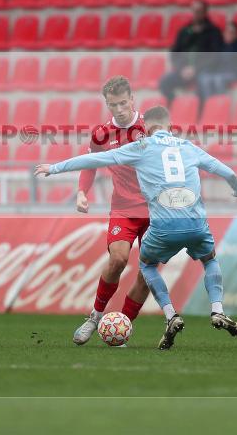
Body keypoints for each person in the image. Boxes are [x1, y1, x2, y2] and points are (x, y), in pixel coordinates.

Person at [36, 105, 237, 350]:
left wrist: (54, 168)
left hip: (162, 225)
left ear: (146, 129)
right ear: (171, 127)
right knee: (209, 259)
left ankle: (171, 315)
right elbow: (226, 172)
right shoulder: (189, 147)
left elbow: (95, 158)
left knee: (147, 265)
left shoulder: (140, 147)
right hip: (196, 224)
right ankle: (217, 309)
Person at [70, 76, 151, 346]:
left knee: (147, 273)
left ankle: (123, 326)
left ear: (133, 99)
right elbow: (89, 164)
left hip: (156, 211)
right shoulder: (101, 134)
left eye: (123, 103)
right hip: (124, 209)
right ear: (107, 104)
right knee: (117, 260)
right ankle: (95, 317)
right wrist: (82, 192)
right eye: (113, 105)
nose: (119, 109)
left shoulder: (151, 127)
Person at [159, 0, 223, 105]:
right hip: (183, 71)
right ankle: (173, 107)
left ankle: (200, 116)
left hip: (203, 70)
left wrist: (196, 69)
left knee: (203, 82)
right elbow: (175, 53)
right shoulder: (184, 31)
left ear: (205, 12)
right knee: (164, 82)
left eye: (199, 11)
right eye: (194, 10)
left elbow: (216, 56)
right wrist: (182, 69)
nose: (196, 13)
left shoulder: (214, 32)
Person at [197, 21, 237, 100]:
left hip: (236, 73)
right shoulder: (220, 45)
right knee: (204, 77)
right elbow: (213, 60)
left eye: (232, 32)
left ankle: (220, 105)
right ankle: (208, 105)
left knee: (218, 79)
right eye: (226, 32)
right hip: (220, 72)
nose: (228, 34)